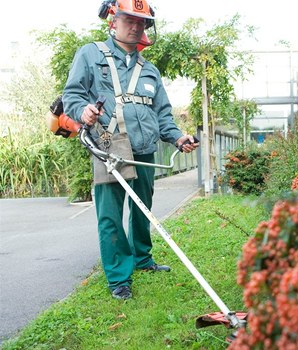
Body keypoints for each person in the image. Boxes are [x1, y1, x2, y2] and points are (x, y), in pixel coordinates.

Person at [62, 0, 199, 300]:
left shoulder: (150, 71)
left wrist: (178, 138)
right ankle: (119, 277)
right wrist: (82, 111)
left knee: (143, 209)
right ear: (113, 20)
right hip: (109, 146)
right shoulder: (90, 54)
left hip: (145, 148)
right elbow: (71, 94)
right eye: (130, 20)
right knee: (110, 214)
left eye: (142, 22)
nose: (136, 26)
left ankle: (142, 259)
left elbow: (163, 115)